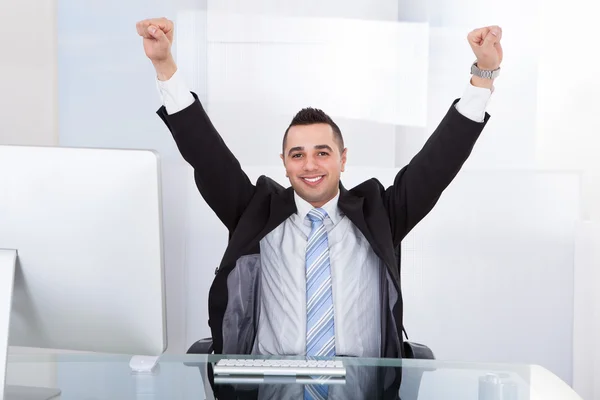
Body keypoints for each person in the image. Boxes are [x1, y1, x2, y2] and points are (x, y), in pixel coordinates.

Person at [136, 18, 502, 361]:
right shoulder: (255, 212)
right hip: (270, 391)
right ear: (284, 162)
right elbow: (207, 155)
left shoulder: (381, 213)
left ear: (343, 160)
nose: (309, 165)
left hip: (362, 392)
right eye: (298, 155)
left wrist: (483, 77)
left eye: (322, 153)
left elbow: (437, 165)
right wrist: (165, 66)